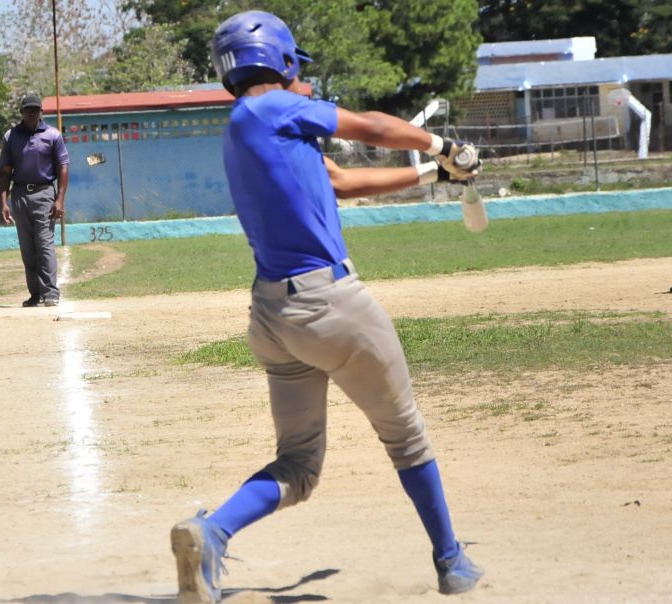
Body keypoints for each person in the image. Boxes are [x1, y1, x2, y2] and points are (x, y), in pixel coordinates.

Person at [169, 11, 484, 603]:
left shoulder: (243, 125)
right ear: (282, 62)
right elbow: (370, 127)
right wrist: (444, 143)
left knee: (298, 464)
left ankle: (211, 533)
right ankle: (451, 561)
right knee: (407, 437)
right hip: (331, 305)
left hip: (272, 317)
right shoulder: (276, 108)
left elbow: (338, 182)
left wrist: (431, 172)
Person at [0, 92, 70, 308]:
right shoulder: (11, 137)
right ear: (21, 112)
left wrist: (60, 199)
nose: (31, 112)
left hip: (44, 194)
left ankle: (50, 293)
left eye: (35, 109)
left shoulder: (52, 135)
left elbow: (63, 167)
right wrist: (4, 201)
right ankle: (35, 293)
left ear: (41, 111)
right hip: (20, 195)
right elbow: (5, 171)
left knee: (45, 245)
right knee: (28, 249)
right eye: (27, 109)